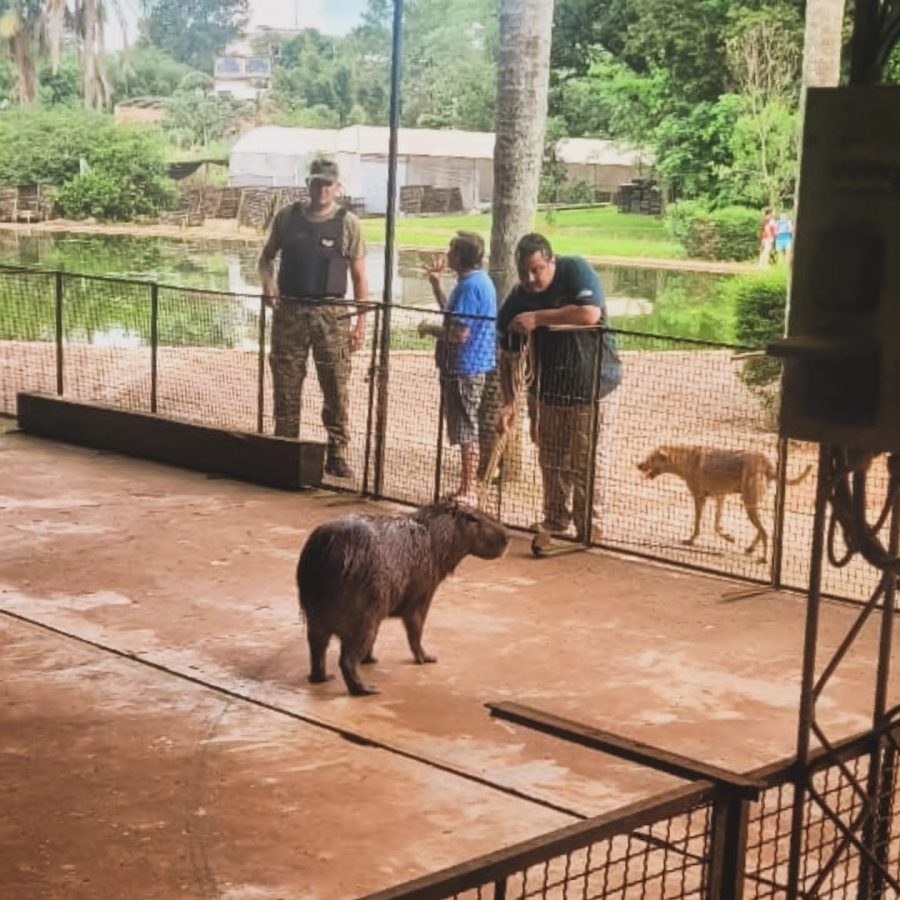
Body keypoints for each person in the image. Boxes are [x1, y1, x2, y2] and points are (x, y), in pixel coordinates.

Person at [497, 233, 622, 541]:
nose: (529, 278)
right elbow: (509, 356)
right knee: (550, 457)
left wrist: (537, 318)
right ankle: (555, 518)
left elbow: (590, 314)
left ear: (550, 262)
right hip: (547, 390)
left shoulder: (575, 270)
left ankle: (589, 527)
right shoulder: (516, 299)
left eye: (536, 269)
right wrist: (510, 402)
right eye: (523, 271)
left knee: (586, 460)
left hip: (591, 386)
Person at [258, 157, 369, 479]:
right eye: (316, 183)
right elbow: (266, 258)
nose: (322, 189)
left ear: (337, 187)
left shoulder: (349, 223)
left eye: (328, 184)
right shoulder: (287, 217)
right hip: (289, 312)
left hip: (332, 315)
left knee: (335, 385)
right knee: (286, 383)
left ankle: (336, 451)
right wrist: (269, 282)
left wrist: (361, 321)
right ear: (308, 184)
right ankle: (285, 448)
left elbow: (360, 277)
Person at [418, 232, 497, 507]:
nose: (447, 255)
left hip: (465, 366)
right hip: (467, 364)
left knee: (466, 427)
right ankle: (466, 485)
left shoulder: (469, 287)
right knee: (465, 426)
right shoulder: (473, 282)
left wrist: (429, 330)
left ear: (461, 257)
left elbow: (458, 333)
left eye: (451, 251)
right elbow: (453, 317)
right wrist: (436, 285)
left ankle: (469, 488)